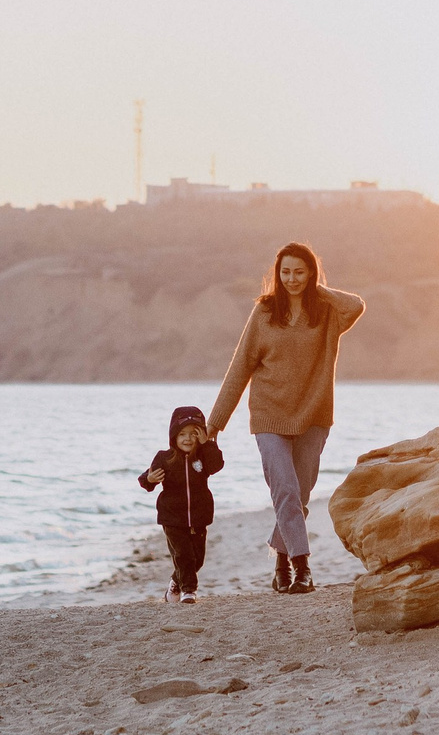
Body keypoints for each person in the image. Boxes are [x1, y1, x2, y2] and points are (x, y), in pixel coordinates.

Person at [205, 241, 365, 595]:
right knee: (286, 491)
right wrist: (216, 421)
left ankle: (279, 561)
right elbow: (241, 366)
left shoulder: (327, 313)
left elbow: (356, 305)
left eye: (300, 271)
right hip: (269, 414)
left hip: (314, 414)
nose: (292, 279)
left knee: (299, 495)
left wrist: (316, 289)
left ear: (311, 273)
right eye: (285, 272)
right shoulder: (264, 312)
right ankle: (302, 567)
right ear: (276, 275)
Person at [138, 405, 226, 603]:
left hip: (199, 516)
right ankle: (189, 591)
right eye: (182, 434)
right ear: (173, 437)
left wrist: (207, 444)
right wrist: (150, 479)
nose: (187, 439)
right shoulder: (164, 457)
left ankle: (175, 583)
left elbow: (216, 465)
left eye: (193, 434)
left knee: (197, 559)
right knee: (183, 555)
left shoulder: (203, 456)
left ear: (200, 435)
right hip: (172, 517)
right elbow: (145, 479)